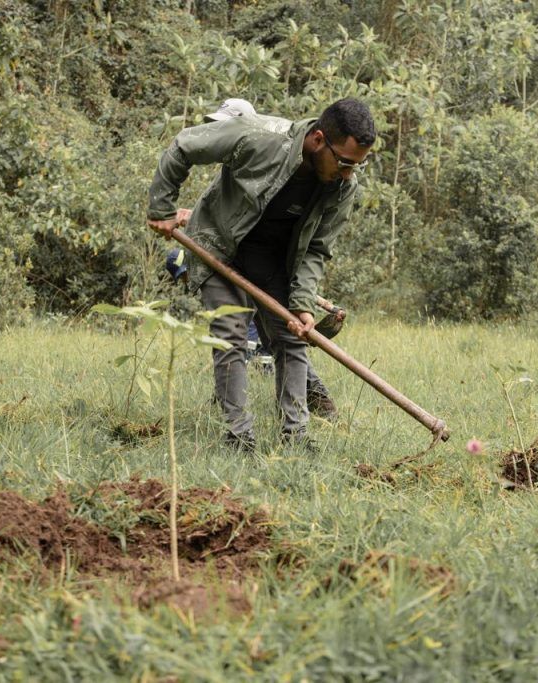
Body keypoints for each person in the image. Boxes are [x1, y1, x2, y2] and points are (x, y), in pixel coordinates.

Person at [147, 97, 375, 452]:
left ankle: (296, 437)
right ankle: (239, 437)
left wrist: (301, 304)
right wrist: (161, 206)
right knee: (231, 335)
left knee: (294, 339)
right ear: (318, 140)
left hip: (271, 262)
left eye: (357, 165)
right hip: (219, 246)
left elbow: (316, 248)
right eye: (344, 162)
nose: (348, 173)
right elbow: (184, 145)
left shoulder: (343, 186)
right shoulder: (258, 136)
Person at [165, 245, 345, 420]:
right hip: (251, 297)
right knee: (271, 345)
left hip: (264, 285)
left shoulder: (219, 254)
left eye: (185, 275)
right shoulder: (212, 272)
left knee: (286, 345)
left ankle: (317, 400)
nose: (186, 280)